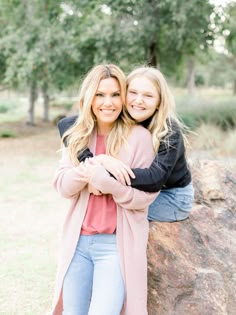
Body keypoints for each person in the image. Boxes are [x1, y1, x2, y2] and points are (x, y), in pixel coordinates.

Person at [52, 64, 157, 315]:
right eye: (100, 94)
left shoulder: (139, 138)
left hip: (115, 246)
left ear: (123, 97)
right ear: (89, 98)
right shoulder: (78, 136)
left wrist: (107, 184)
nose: (107, 103)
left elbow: (145, 197)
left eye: (114, 95)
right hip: (77, 244)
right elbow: (63, 186)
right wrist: (98, 163)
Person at [58, 66, 194, 223]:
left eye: (148, 96)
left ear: (159, 102)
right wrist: (94, 160)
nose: (138, 100)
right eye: (133, 93)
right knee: (106, 203)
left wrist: (102, 174)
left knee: (114, 208)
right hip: (143, 190)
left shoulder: (168, 130)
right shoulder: (122, 114)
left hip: (172, 197)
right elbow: (66, 124)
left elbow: (155, 179)